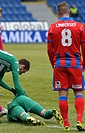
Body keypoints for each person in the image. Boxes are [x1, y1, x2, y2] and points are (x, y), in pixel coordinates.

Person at [47, 1, 85, 131]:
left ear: (58, 14)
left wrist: (54, 64)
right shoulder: (79, 26)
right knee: (78, 92)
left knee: (63, 93)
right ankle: (79, 120)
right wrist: (83, 64)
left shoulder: (52, 27)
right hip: (75, 63)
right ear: (68, 11)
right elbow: (84, 47)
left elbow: (50, 50)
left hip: (59, 64)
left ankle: (66, 124)